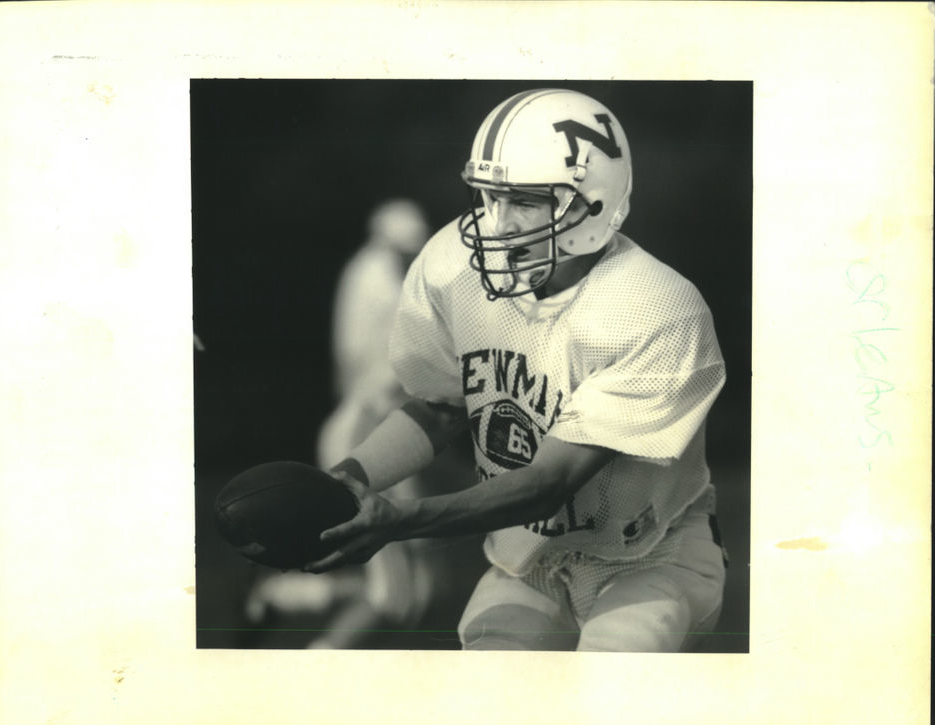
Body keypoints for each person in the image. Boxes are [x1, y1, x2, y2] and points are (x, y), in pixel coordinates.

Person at [304, 88, 728, 652]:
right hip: (527, 559)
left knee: (611, 684)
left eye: (524, 200)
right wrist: (349, 478)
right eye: (488, 196)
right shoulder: (453, 266)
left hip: (651, 553)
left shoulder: (653, 306)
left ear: (591, 202)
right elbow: (441, 407)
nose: (496, 224)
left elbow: (547, 485)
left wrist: (399, 521)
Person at [246, 200, 479, 649]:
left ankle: (285, 594)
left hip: (366, 427)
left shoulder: (369, 282)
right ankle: (318, 663)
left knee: (424, 588)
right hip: (367, 436)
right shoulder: (391, 297)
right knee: (397, 596)